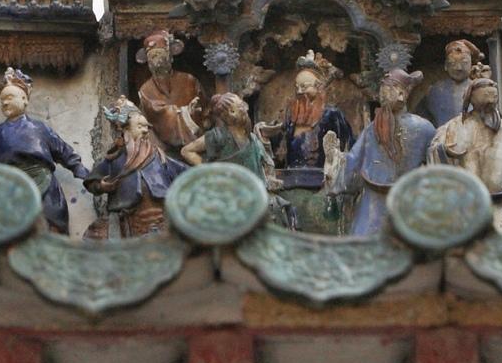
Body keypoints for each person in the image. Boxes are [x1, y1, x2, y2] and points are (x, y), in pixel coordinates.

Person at [0, 67, 89, 235]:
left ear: (24, 99)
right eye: (2, 100)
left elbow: (63, 151)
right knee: (10, 232)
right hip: (10, 188)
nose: (5, 103)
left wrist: (82, 171)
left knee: (51, 227)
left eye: (9, 98)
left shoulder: (40, 128)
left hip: (45, 186)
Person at [257, 52, 352, 234]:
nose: (300, 92)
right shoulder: (291, 115)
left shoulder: (332, 115)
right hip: (291, 178)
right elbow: (280, 146)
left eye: (305, 86)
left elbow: (346, 147)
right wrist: (267, 133)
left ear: (319, 86)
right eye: (297, 87)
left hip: (321, 180)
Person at [342, 69, 435, 237]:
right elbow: (353, 161)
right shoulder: (372, 129)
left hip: (408, 197)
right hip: (375, 196)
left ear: (402, 94)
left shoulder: (424, 129)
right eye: (382, 91)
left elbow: (435, 166)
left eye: (388, 91)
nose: (383, 96)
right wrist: (343, 184)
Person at [428, 64, 502, 233]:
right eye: (485, 95)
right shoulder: (455, 126)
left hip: (498, 204)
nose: (490, 100)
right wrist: (444, 150)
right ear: (471, 98)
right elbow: (434, 152)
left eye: (493, 96)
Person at [89, 99, 186, 239]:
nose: (145, 131)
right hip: (131, 217)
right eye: (140, 126)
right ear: (125, 129)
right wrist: (102, 186)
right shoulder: (115, 160)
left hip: (161, 214)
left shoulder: (159, 156)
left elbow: (183, 171)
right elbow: (92, 181)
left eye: (146, 127)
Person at [135, 31, 205, 153]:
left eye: (160, 55)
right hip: (162, 146)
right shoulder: (146, 90)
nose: (156, 61)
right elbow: (158, 113)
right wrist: (186, 113)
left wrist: (198, 110)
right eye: (152, 57)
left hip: (196, 141)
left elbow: (204, 104)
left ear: (170, 57)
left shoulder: (189, 80)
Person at [182, 93, 274, 180]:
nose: (245, 110)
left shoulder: (252, 139)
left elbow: (267, 163)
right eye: (240, 107)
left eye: (243, 105)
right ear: (231, 113)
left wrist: (270, 176)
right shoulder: (218, 136)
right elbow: (186, 151)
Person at [419, 39, 480, 128]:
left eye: (464, 63)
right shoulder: (435, 90)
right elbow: (423, 120)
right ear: (446, 66)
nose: (458, 68)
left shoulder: (478, 89)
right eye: (452, 63)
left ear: (472, 64)